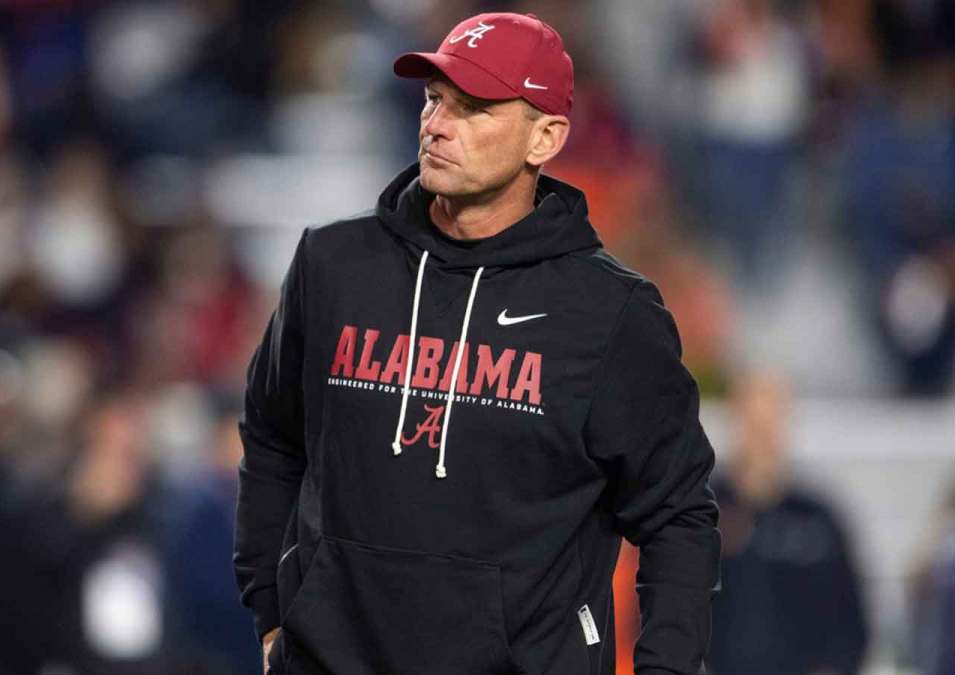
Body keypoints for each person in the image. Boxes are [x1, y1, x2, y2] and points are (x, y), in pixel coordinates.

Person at [234, 12, 720, 675]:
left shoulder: (610, 314)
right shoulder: (332, 266)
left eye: (474, 108)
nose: (436, 124)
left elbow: (678, 514)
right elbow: (271, 435)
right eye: (435, 99)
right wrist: (269, 610)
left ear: (544, 137)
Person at [708, 370, 868, 675]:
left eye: (770, 422)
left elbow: (851, 625)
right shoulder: (700, 514)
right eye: (753, 423)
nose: (762, 435)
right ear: (735, 422)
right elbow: (665, 610)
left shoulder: (819, 520)